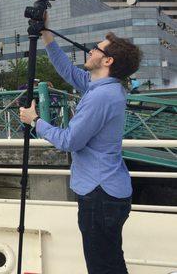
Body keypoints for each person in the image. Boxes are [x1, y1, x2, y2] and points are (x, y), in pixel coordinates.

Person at [19, 14, 142, 274]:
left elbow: (69, 141)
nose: (90, 50)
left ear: (107, 60)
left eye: (96, 49)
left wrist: (35, 121)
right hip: (106, 190)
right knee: (109, 260)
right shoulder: (101, 86)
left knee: (102, 266)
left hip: (100, 194)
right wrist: (46, 33)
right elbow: (67, 70)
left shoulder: (102, 96)